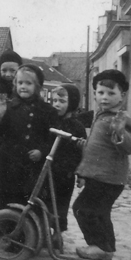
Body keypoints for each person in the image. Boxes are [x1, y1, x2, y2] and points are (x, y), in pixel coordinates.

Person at [73, 69, 131, 260]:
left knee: (83, 209)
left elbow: (130, 146)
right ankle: (106, 248)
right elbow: (96, 149)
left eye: (111, 93)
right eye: (101, 93)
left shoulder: (120, 119)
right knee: (100, 213)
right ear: (94, 95)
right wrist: (83, 171)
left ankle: (99, 247)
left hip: (109, 178)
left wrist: (120, 134)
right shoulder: (100, 116)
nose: (105, 98)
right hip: (99, 176)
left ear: (122, 96)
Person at [0, 64, 59, 209]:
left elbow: (52, 139)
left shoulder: (47, 111)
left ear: (37, 86)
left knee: (30, 197)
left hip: (33, 166)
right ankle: (5, 224)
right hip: (10, 164)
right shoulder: (9, 107)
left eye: (28, 83)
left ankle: (29, 227)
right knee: (6, 196)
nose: (23, 86)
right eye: (20, 83)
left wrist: (42, 151)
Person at [49, 84, 87, 235]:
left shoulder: (77, 127)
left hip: (66, 174)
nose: (56, 104)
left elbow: (83, 153)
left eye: (62, 101)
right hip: (49, 170)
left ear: (71, 103)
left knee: (61, 204)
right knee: (46, 202)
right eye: (54, 100)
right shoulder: (51, 121)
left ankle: (58, 233)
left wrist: (82, 175)